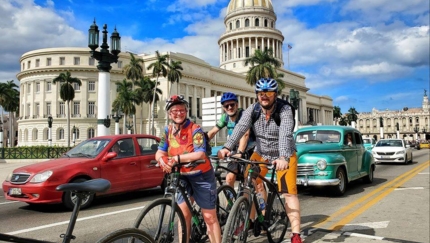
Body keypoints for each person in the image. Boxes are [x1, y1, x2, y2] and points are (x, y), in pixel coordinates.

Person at [217, 78, 302, 243]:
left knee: (289, 193)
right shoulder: (253, 109)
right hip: (261, 153)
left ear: (275, 95)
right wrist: (227, 147)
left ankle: (296, 234)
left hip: (284, 155)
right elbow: (240, 127)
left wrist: (283, 156)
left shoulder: (284, 110)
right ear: (257, 95)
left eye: (268, 93)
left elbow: (285, 134)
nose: (264, 96)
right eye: (261, 93)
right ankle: (252, 220)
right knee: (248, 184)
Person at [156, 95, 221, 243]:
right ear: (169, 114)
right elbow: (160, 151)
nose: (178, 113)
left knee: (209, 217)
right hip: (182, 177)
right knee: (183, 215)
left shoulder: (195, 129)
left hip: (201, 175)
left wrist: (176, 160)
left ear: (186, 111)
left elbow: (200, 153)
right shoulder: (167, 130)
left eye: (181, 110)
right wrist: (162, 160)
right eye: (174, 111)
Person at [207, 92, 255, 189]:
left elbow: (245, 134)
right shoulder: (225, 118)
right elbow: (212, 132)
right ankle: (232, 203)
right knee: (229, 178)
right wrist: (199, 145)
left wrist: (240, 152)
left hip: (250, 149)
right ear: (224, 108)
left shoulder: (244, 115)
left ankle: (250, 201)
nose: (229, 107)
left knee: (250, 181)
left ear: (237, 105)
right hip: (235, 149)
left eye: (232, 104)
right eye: (226, 106)